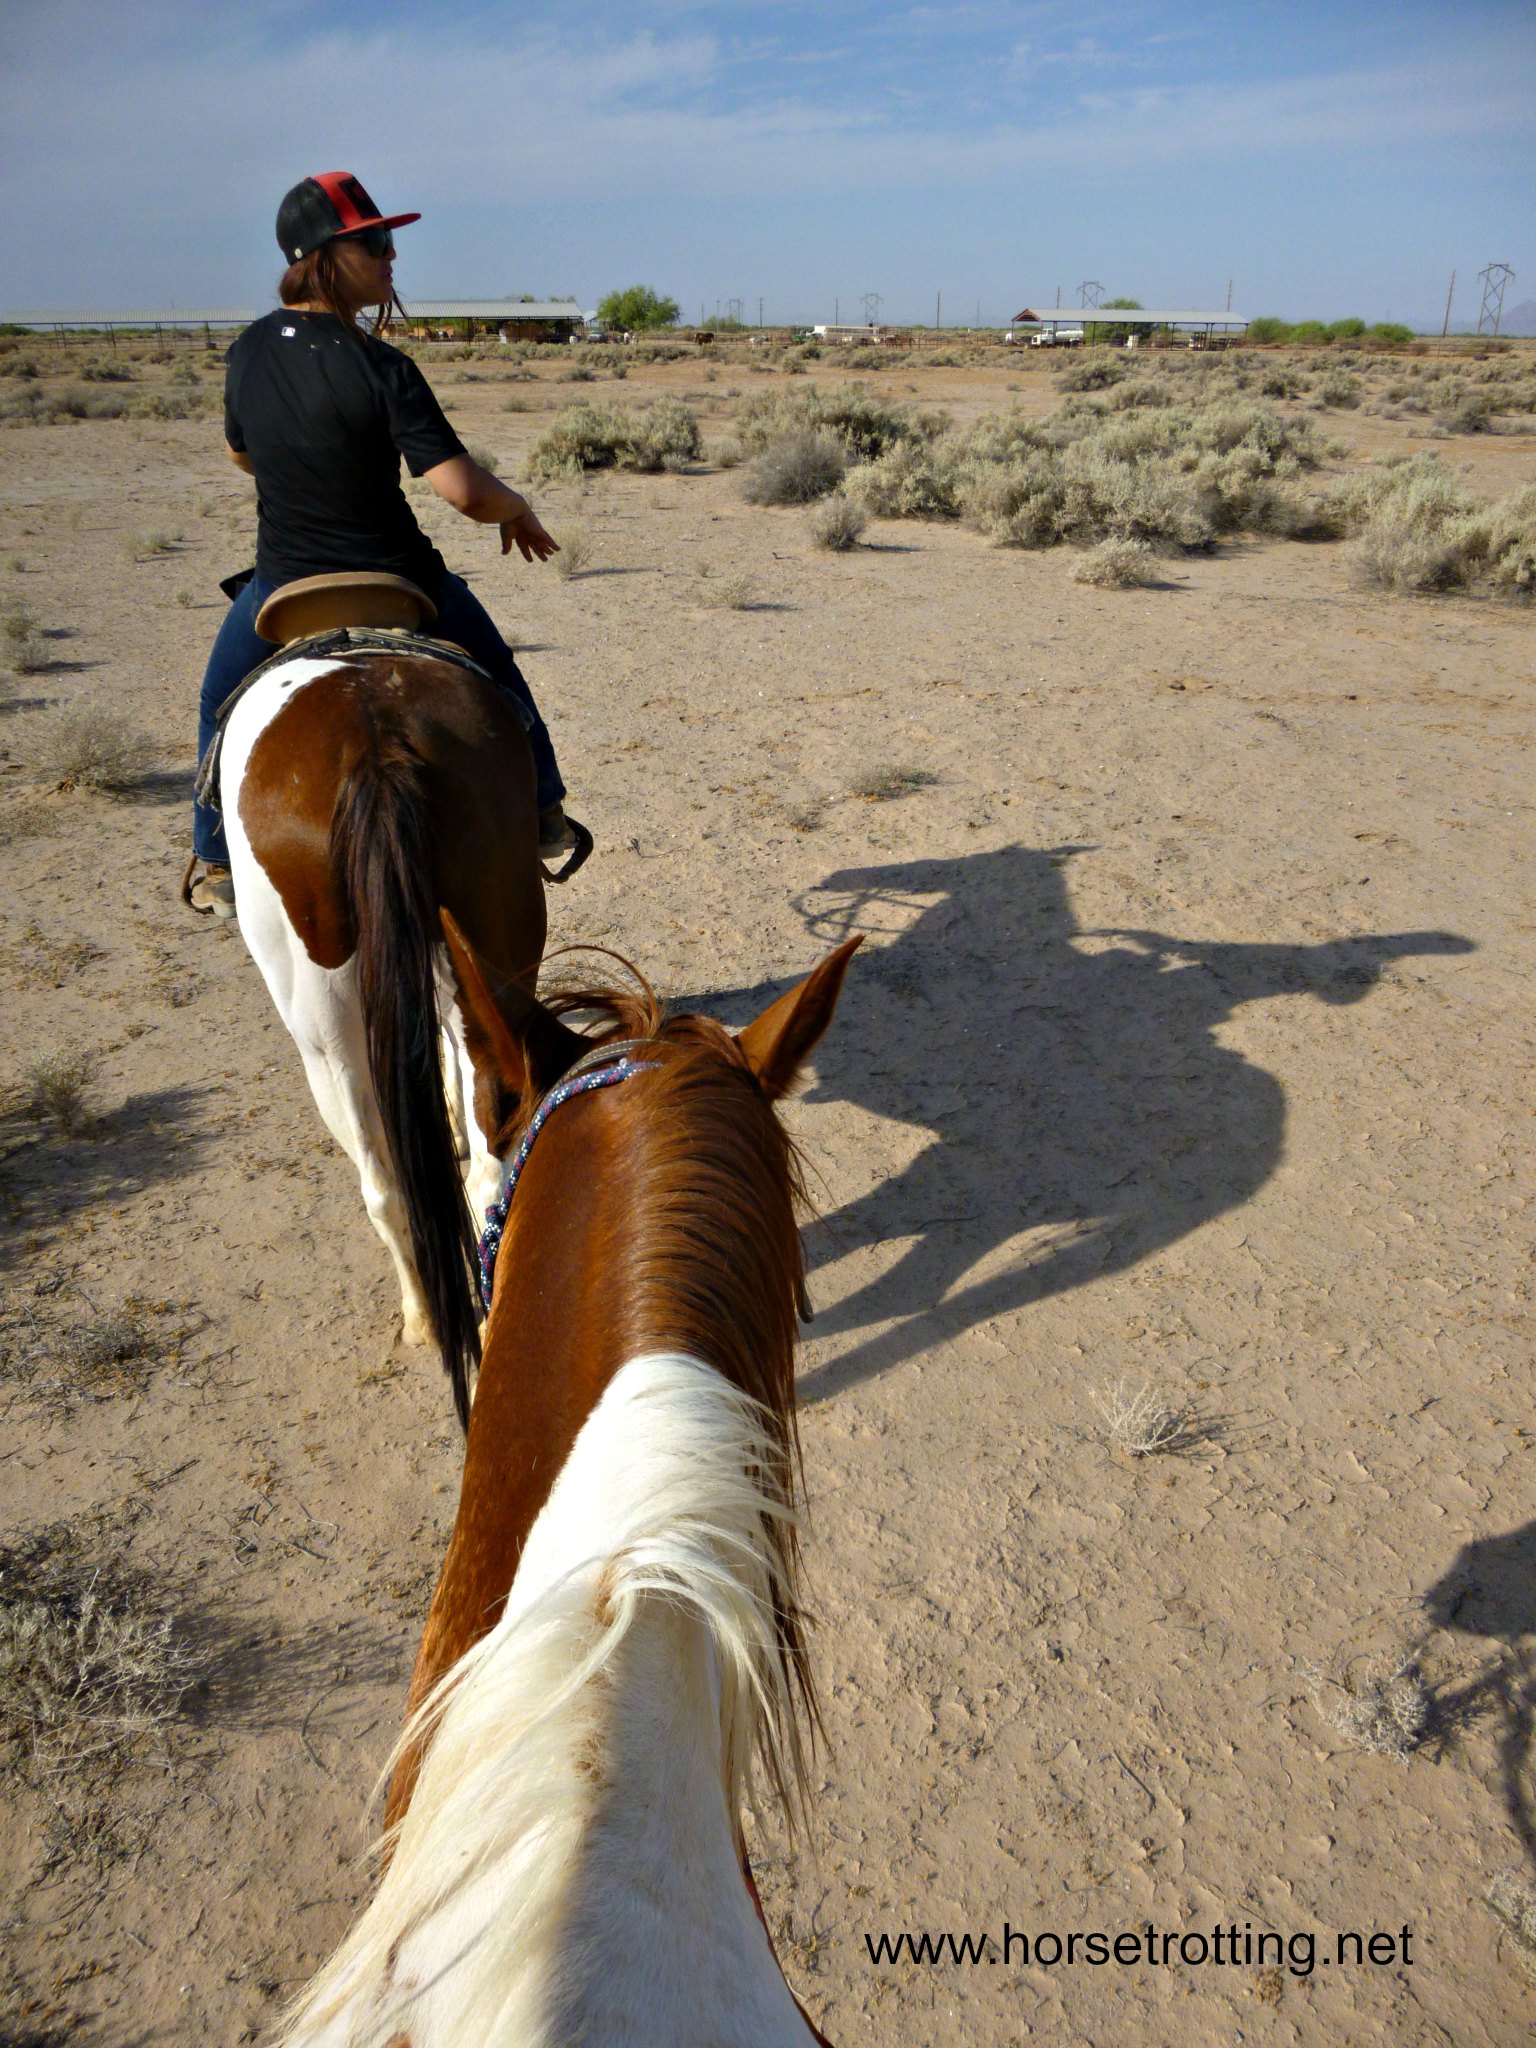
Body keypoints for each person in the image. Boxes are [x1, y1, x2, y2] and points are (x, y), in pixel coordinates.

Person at [187, 170, 577, 917]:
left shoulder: (245, 354)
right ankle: (544, 811)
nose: (391, 257)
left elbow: (238, 452)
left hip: (283, 585)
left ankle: (214, 857)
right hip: (401, 581)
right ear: (322, 254)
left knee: (216, 703)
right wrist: (516, 506)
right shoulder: (383, 366)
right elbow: (462, 491)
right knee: (498, 676)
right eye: (375, 243)